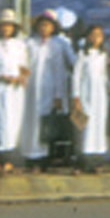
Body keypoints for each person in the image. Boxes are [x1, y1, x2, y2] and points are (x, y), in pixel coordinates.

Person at [22, 9, 75, 171]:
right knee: (31, 121)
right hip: (31, 89)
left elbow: (61, 70)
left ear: (53, 27)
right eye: (42, 25)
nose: (44, 28)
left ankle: (45, 157)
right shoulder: (29, 44)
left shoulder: (58, 45)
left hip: (50, 88)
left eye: (47, 25)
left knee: (46, 122)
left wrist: (58, 94)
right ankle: (31, 156)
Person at [0, 9, 29, 174]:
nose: (6, 29)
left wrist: (22, 77)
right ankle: (3, 159)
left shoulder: (20, 45)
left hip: (17, 89)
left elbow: (24, 65)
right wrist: (1, 76)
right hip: (1, 88)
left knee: (15, 123)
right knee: (3, 122)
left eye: (9, 26)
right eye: (3, 26)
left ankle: (10, 159)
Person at [70, 24, 110, 173]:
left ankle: (97, 161)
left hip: (100, 96)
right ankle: (83, 161)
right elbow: (76, 76)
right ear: (87, 37)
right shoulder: (82, 54)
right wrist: (76, 96)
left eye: (99, 35)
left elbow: (104, 76)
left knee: (99, 126)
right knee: (86, 126)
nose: (96, 38)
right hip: (86, 94)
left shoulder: (103, 55)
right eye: (93, 35)